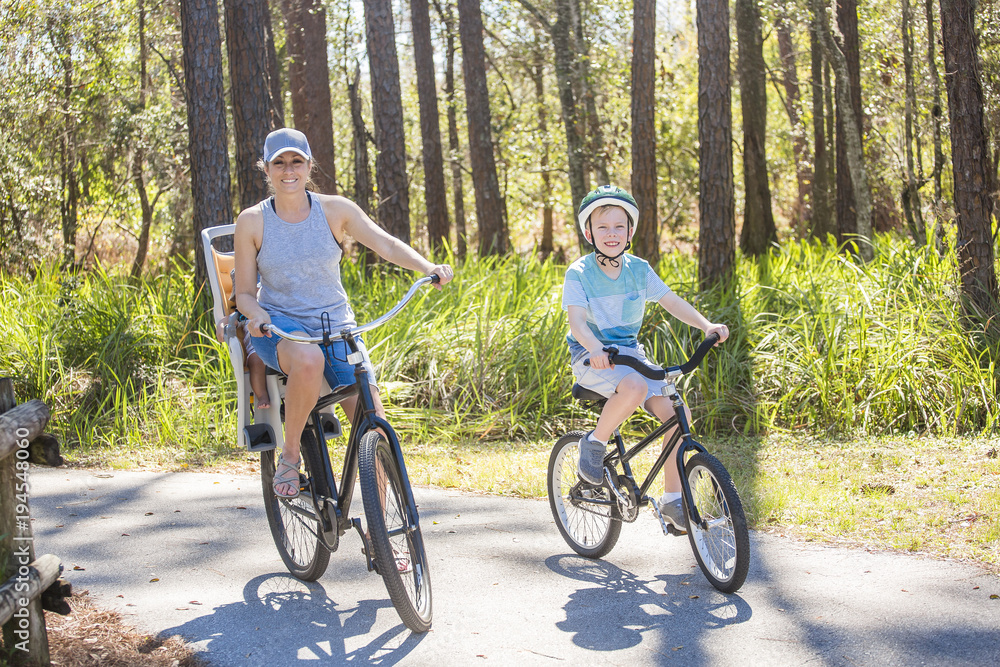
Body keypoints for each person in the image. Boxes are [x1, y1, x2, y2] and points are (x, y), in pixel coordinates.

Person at [235, 127, 453, 499]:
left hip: (336, 328)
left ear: (309, 166)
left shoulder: (335, 210)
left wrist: (427, 267)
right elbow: (243, 293)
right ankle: (291, 454)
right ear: (266, 169)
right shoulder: (253, 221)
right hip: (281, 328)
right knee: (308, 360)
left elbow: (386, 244)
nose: (289, 170)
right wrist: (257, 316)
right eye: (279, 163)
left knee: (374, 425)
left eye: (297, 161)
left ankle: (382, 523)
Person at [561, 185, 729, 532]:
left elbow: (671, 301)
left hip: (630, 355)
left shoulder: (639, 269)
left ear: (630, 232)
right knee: (636, 386)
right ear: (589, 233)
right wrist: (594, 348)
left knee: (679, 415)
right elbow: (577, 323)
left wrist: (706, 325)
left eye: (619, 226)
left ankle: (672, 500)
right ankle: (594, 443)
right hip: (590, 355)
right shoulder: (579, 272)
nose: (611, 233)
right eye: (603, 227)